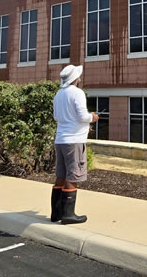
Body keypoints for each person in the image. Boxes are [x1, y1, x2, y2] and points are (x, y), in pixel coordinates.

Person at [51, 64, 98, 224]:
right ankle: (68, 215)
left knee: (61, 175)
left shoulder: (58, 94)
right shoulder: (77, 93)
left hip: (61, 140)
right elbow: (82, 116)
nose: (80, 77)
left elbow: (56, 117)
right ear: (75, 79)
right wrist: (93, 117)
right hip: (74, 141)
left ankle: (56, 213)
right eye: (78, 75)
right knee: (73, 175)